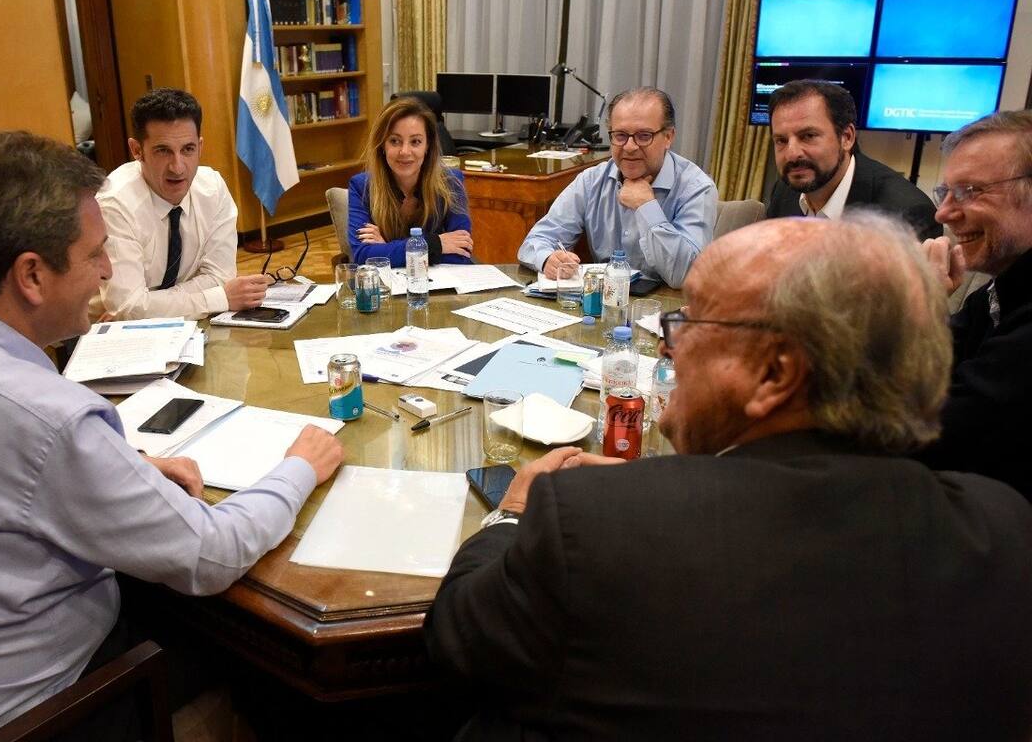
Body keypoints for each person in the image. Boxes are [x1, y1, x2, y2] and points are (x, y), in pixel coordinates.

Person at [426, 216, 1032, 740]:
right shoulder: (1004, 528)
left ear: (774, 374)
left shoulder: (592, 525)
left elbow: (458, 643)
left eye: (691, 324)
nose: (669, 351)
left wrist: (510, 514)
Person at [0, 131, 344, 738]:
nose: (107, 273)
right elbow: (212, 554)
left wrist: (125, 469)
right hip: (38, 712)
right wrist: (298, 467)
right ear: (31, 276)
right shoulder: (47, 417)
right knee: (274, 664)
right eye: (95, 254)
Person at [918, 109, 1032, 500]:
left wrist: (921, 308)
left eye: (970, 191)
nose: (943, 213)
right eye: (945, 192)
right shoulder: (1000, 290)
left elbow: (929, 435)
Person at [94, 88, 274, 320]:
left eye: (188, 150)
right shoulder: (115, 204)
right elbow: (128, 308)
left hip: (188, 324)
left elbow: (219, 278)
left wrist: (148, 305)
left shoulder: (212, 189)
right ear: (137, 150)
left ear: (200, 147)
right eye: (163, 151)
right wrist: (219, 298)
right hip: (106, 335)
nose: (177, 167)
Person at [517, 87, 716, 288]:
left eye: (644, 136)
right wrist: (548, 258)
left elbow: (685, 274)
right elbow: (535, 241)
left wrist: (646, 206)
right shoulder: (591, 181)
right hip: (603, 305)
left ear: (668, 137)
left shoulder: (697, 188)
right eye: (620, 135)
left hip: (664, 310)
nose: (629, 147)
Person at [766, 79, 941, 241]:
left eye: (808, 136)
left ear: (847, 137)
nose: (791, 154)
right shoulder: (786, 190)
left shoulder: (906, 214)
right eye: (781, 140)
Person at [349, 96, 473, 267]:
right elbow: (363, 256)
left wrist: (386, 249)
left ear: (427, 146)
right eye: (395, 141)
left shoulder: (451, 182)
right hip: (389, 290)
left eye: (415, 141)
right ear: (382, 145)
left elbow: (461, 254)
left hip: (441, 289)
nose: (405, 151)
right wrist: (436, 244)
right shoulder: (361, 186)